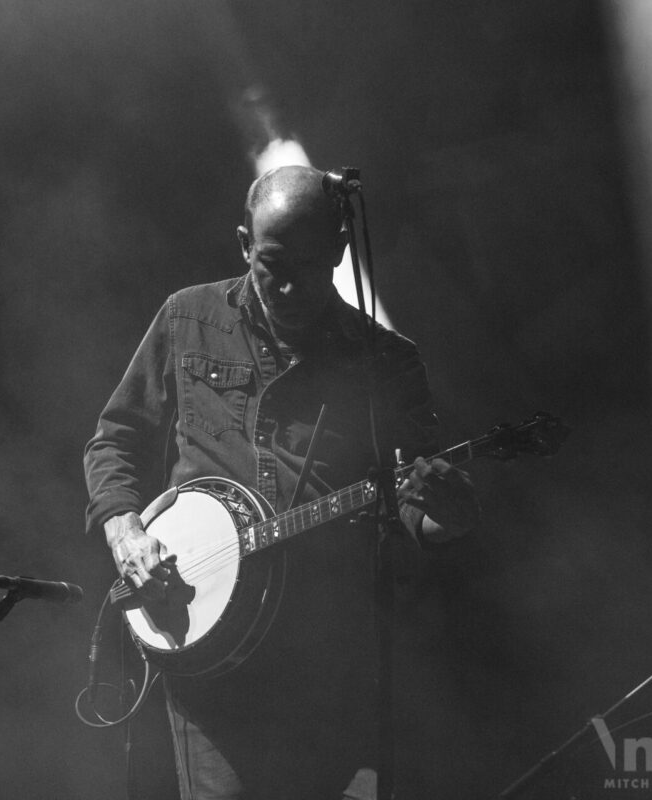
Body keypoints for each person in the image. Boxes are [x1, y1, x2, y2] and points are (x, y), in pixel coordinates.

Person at [83, 165, 480, 800]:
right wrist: (126, 534)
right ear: (244, 244)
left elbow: (417, 510)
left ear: (341, 255)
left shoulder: (385, 362)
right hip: (207, 648)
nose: (289, 285)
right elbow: (116, 440)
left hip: (328, 661)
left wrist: (448, 515)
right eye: (272, 264)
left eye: (310, 265)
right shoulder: (188, 318)